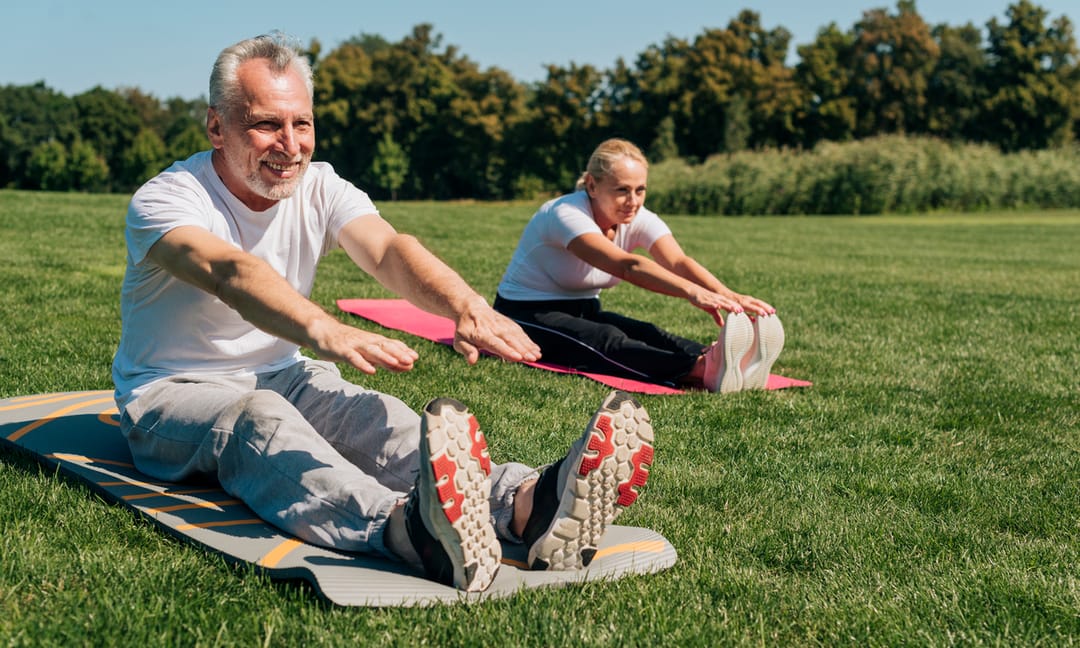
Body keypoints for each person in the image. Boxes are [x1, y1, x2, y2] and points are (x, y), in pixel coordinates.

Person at [111, 33, 655, 593]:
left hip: (285, 374)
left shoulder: (320, 186)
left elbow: (389, 250)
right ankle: (405, 528)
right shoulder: (167, 199)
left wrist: (465, 305)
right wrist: (323, 328)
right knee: (258, 421)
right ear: (216, 127)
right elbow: (230, 272)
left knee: (374, 417)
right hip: (170, 392)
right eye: (266, 124)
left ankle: (525, 505)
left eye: (302, 123)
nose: (290, 145)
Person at [494, 138, 785, 394]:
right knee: (605, 340)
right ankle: (699, 370)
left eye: (640, 190)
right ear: (592, 185)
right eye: (622, 190)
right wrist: (691, 292)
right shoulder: (565, 214)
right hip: (525, 314)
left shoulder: (636, 216)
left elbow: (677, 261)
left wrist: (729, 295)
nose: (633, 201)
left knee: (646, 332)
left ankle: (722, 360)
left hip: (584, 309)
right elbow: (627, 266)